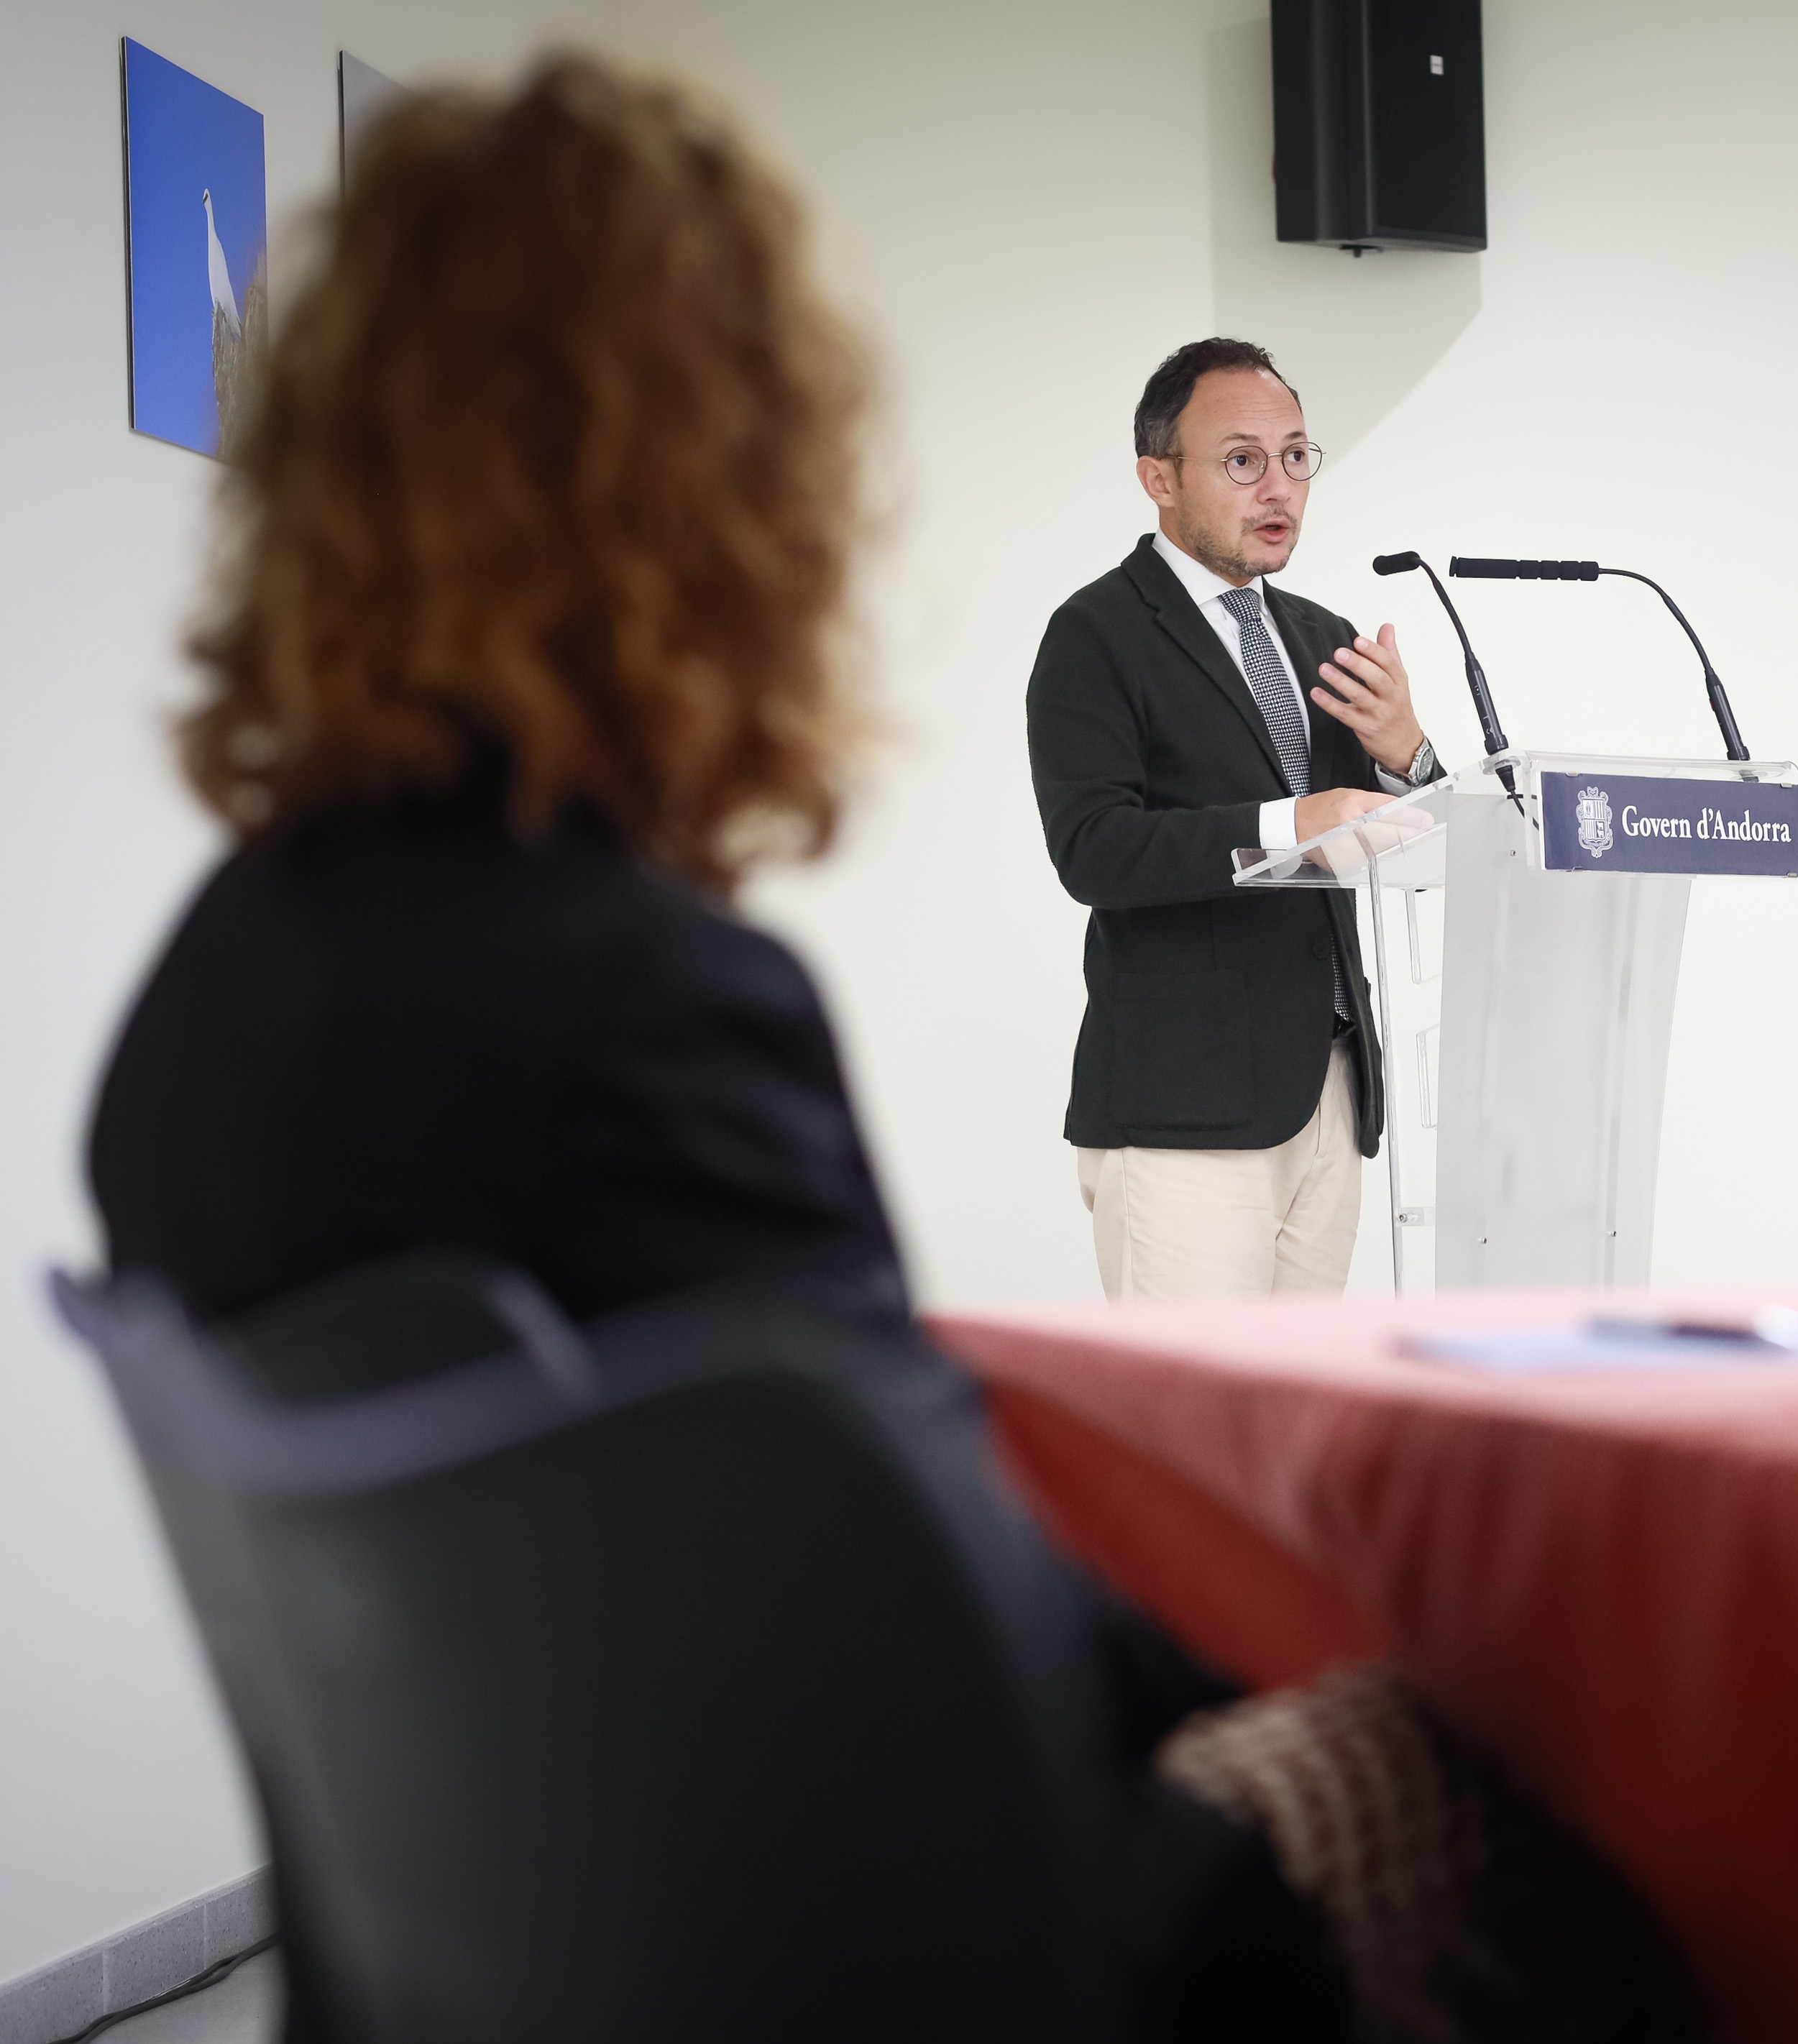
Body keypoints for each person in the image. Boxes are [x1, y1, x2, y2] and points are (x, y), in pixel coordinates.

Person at [85, 58, 1353, 2043]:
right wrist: (1303, 1701)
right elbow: (944, 1646)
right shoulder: (653, 1010)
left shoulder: (205, 1006)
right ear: (719, 483)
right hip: (907, 1949)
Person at [1025, 340, 1443, 1299]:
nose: (1280, 488)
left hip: (1330, 1091)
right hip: (1185, 1105)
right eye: (1242, 460)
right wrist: (1295, 819)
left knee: (1301, 1425)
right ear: (1157, 478)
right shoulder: (1099, 632)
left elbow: (1402, 832)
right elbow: (1094, 850)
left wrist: (1407, 753)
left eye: (1296, 456)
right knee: (1188, 1432)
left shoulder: (1321, 636)